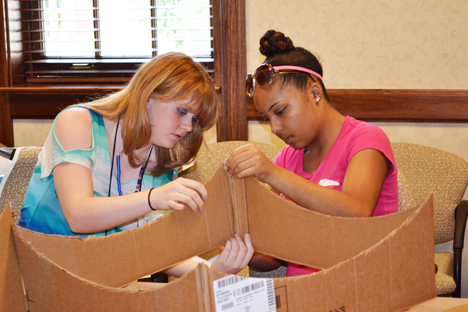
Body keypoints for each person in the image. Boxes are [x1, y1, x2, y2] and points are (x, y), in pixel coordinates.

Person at [18, 52, 253, 277]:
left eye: (195, 119)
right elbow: (78, 216)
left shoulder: (162, 165)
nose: (189, 127)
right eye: (182, 111)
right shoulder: (78, 122)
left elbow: (154, 250)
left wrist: (215, 269)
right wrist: (152, 198)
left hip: (101, 285)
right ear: (148, 95)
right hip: (37, 272)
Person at [224, 30, 398, 277]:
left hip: (364, 288)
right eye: (266, 118)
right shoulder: (286, 159)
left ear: (314, 92)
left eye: (281, 111)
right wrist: (236, 249)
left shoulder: (365, 139)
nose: (274, 128)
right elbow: (275, 256)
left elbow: (356, 211)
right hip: (304, 297)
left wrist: (272, 173)